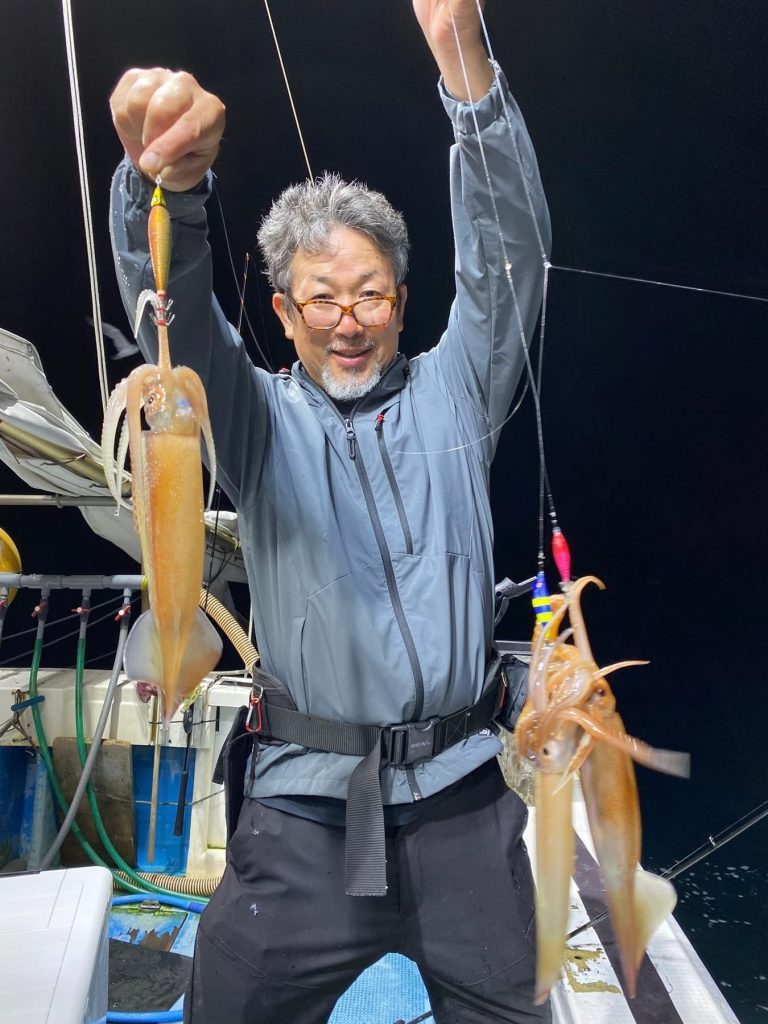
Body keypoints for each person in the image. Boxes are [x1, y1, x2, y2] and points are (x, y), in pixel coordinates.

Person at [109, 1, 551, 1020]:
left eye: (370, 295)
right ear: (283, 311)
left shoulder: (458, 392)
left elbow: (510, 259)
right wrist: (163, 187)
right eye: (321, 298)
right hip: (302, 814)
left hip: (465, 809)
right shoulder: (251, 417)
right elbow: (172, 314)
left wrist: (469, 77)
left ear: (402, 299)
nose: (348, 322)